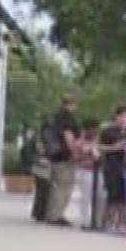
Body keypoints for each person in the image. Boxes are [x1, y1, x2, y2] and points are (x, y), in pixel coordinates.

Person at [43, 96, 79, 226]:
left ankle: (54, 214)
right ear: (71, 104)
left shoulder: (55, 117)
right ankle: (56, 215)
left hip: (56, 156)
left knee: (57, 185)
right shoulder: (67, 118)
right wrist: (75, 152)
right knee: (64, 186)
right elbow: (68, 135)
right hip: (65, 156)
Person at [97, 106, 126, 234]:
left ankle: (121, 222)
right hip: (111, 165)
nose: (124, 119)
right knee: (112, 194)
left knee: (123, 196)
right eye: (122, 115)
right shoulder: (107, 131)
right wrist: (114, 147)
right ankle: (108, 221)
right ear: (116, 116)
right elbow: (99, 147)